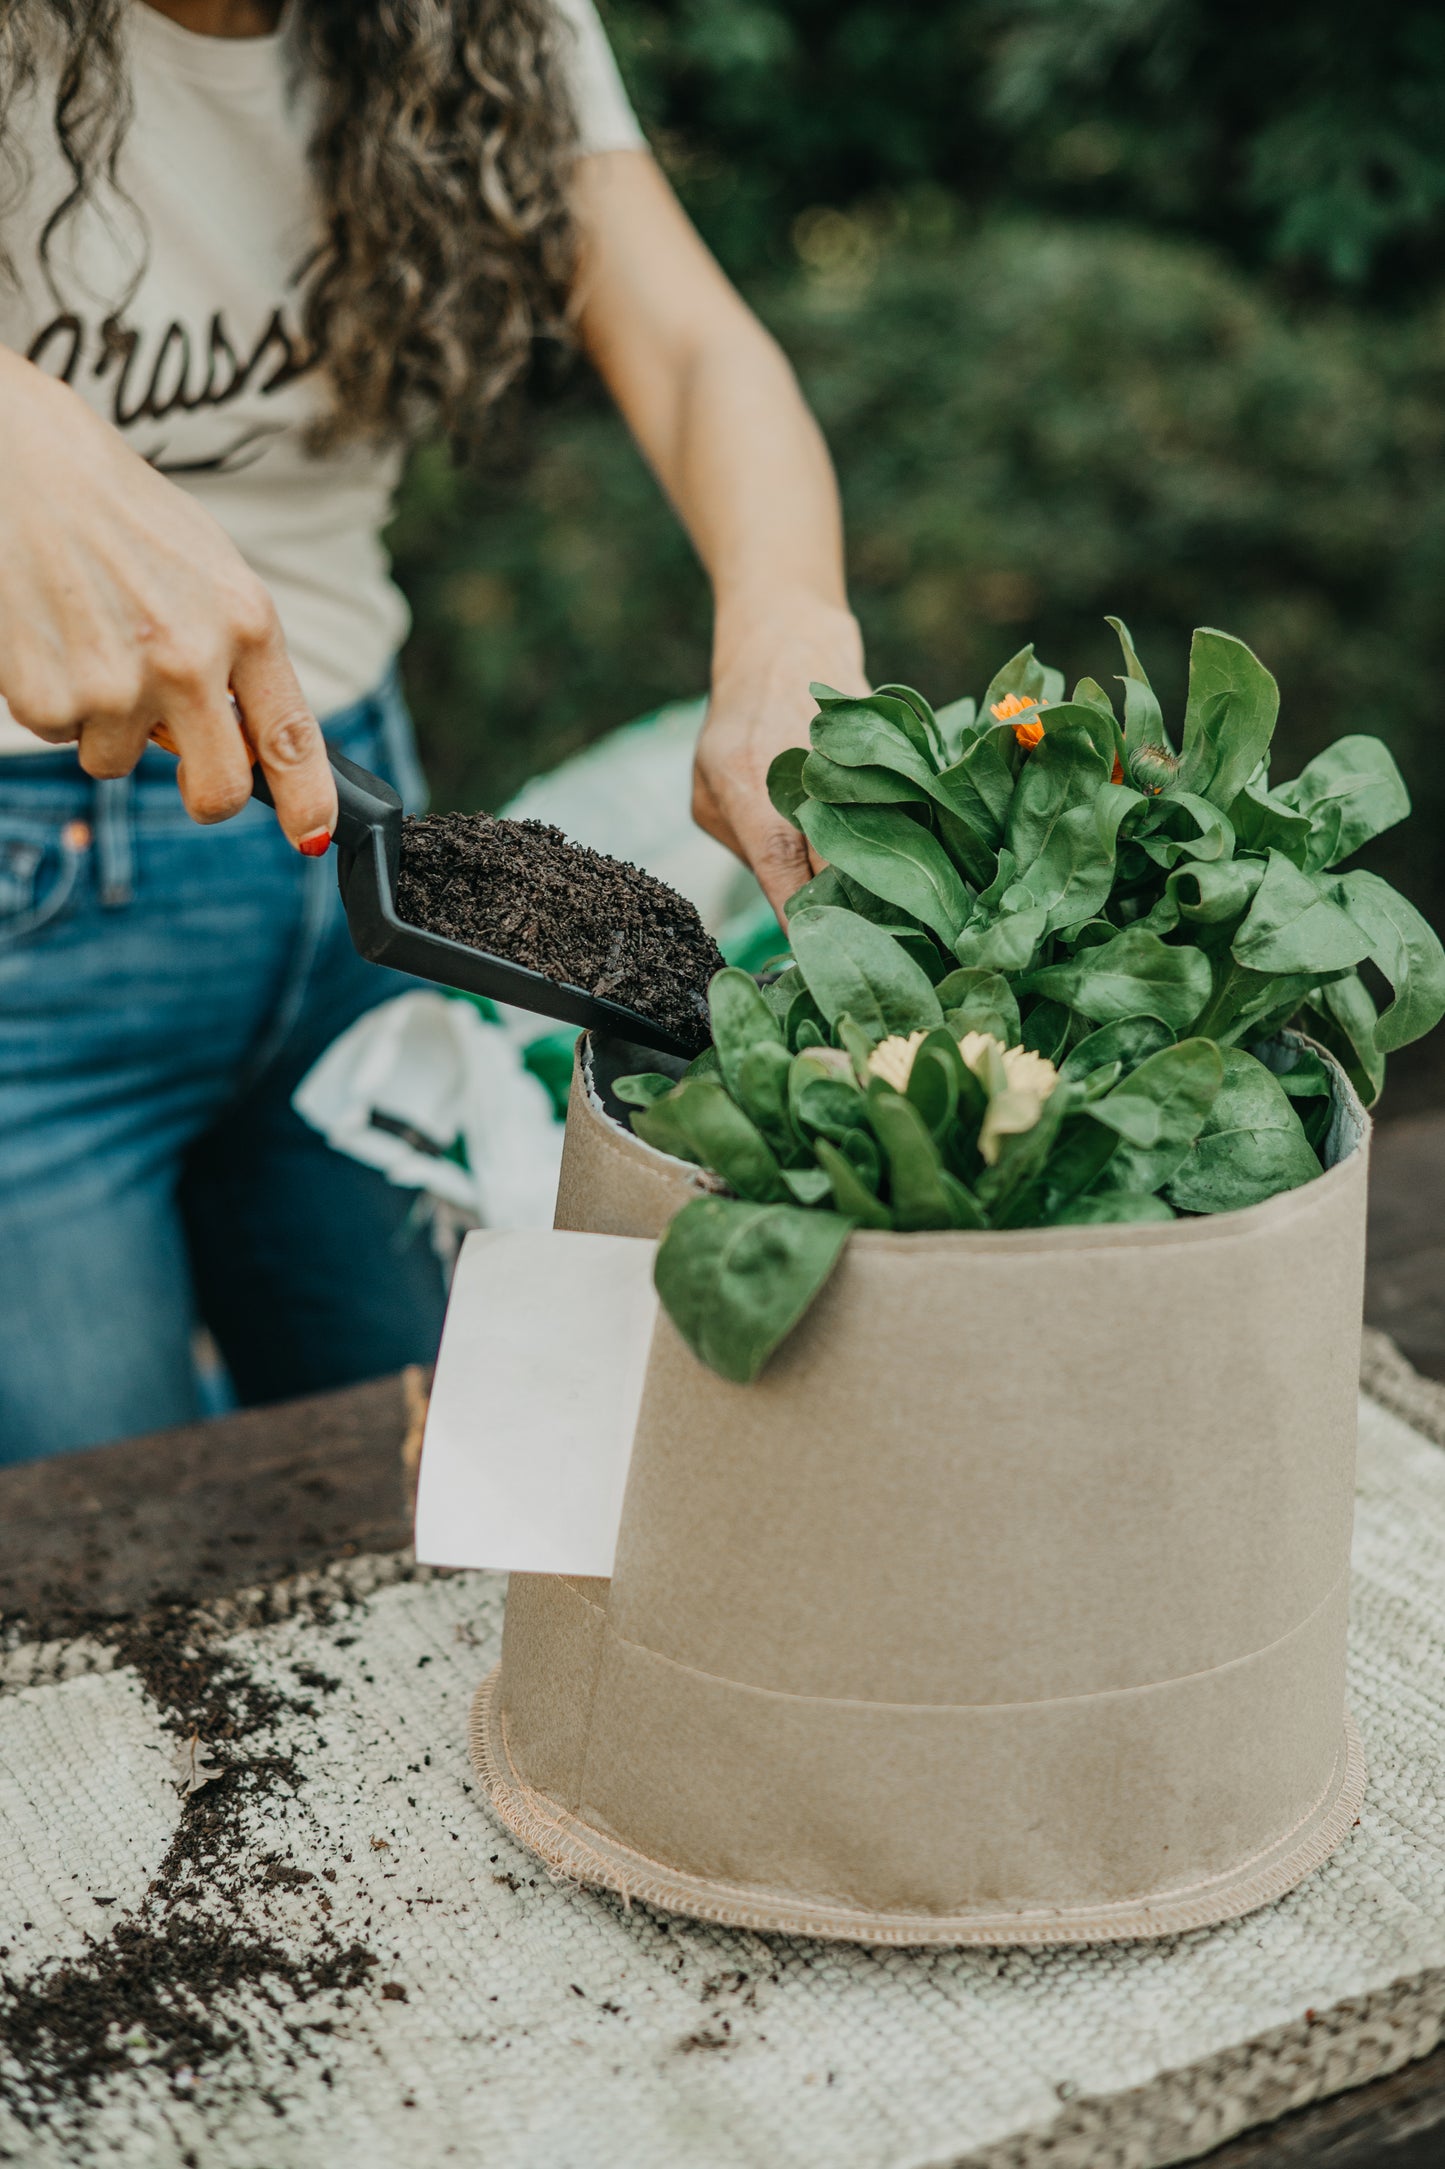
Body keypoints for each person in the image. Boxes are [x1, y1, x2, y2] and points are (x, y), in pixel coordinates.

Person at [0, 0, 866, 1465]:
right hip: (32, 925)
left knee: (441, 1481)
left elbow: (692, 346)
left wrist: (788, 624)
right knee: (97, 1564)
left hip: (356, 850)